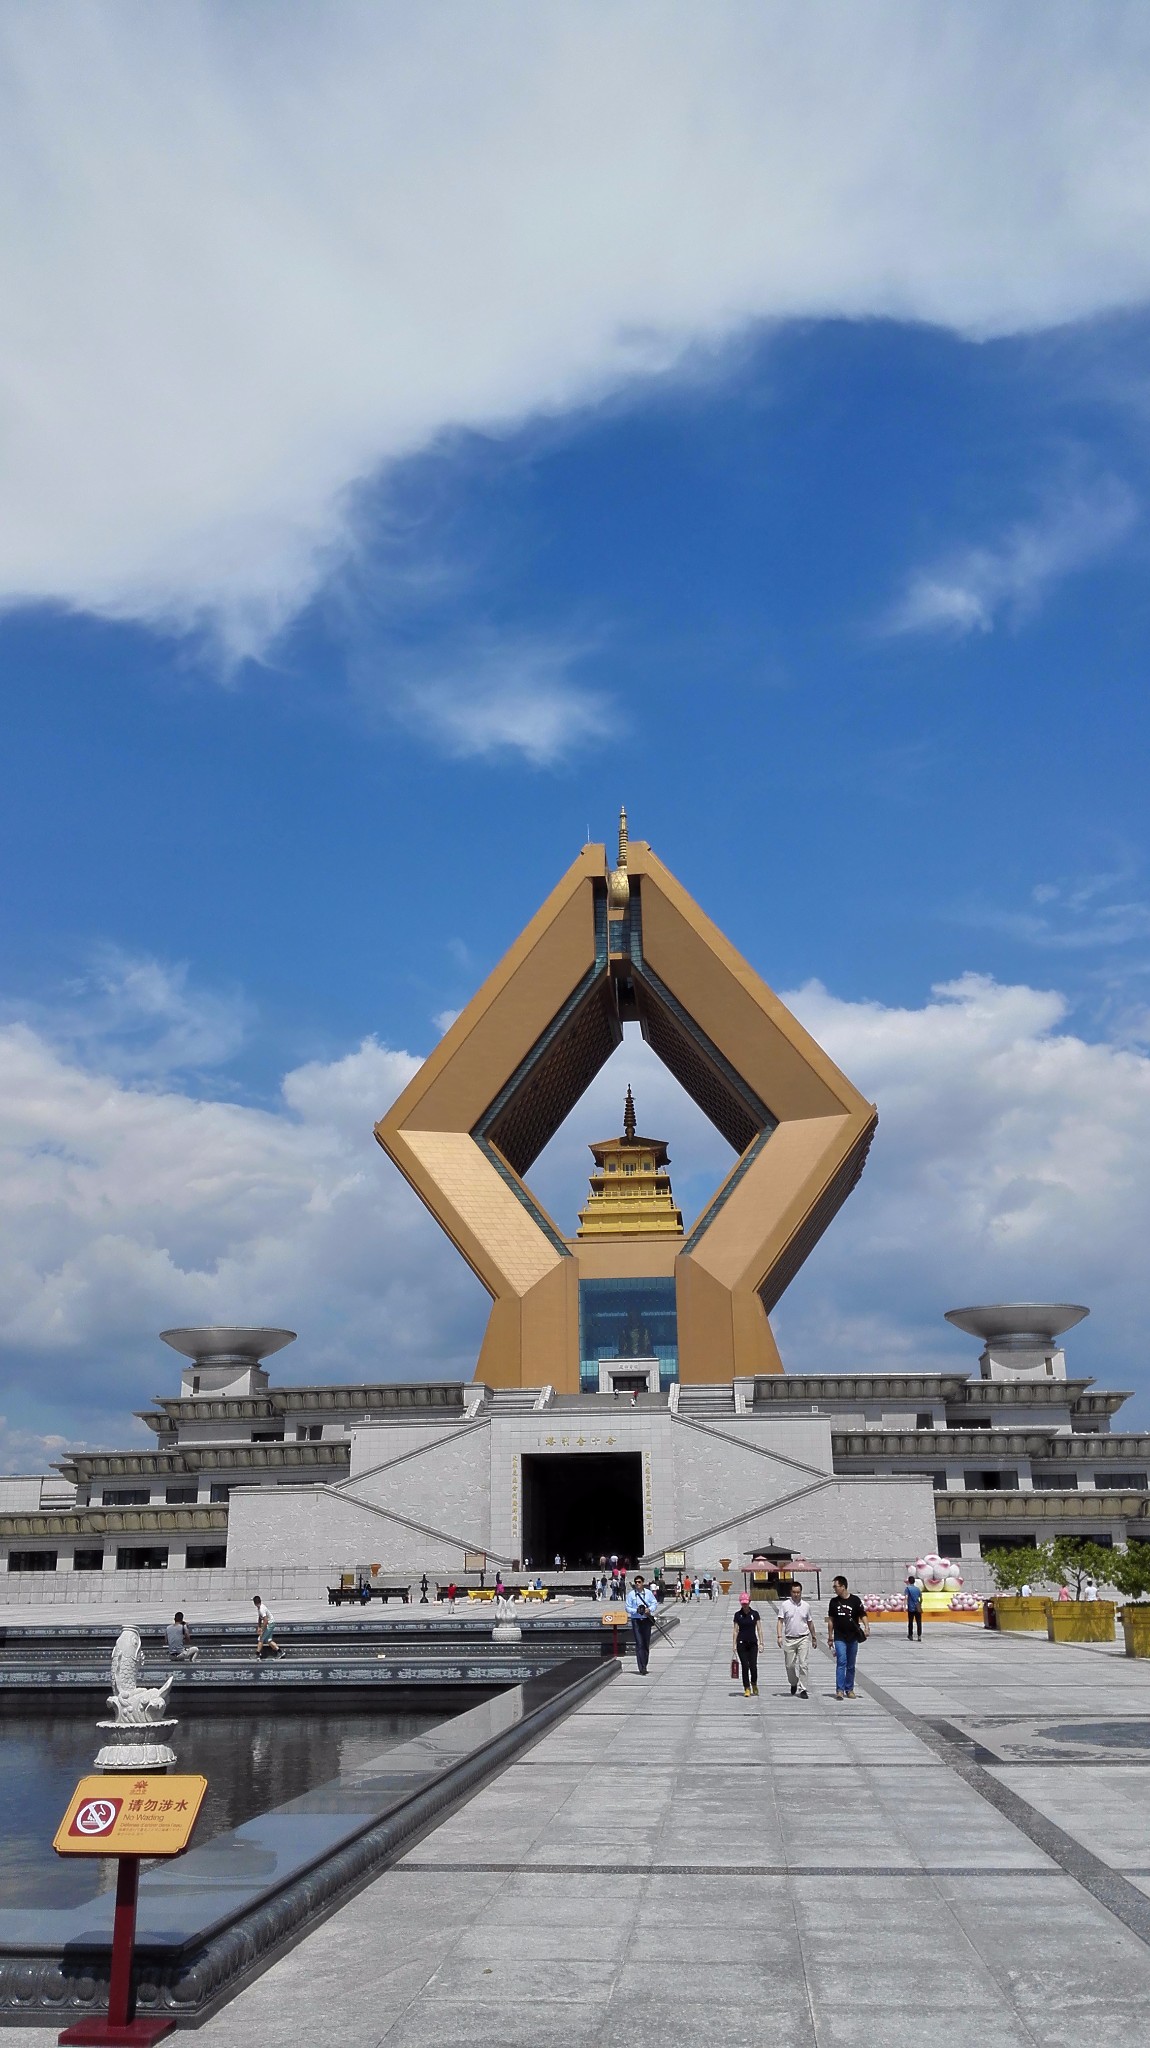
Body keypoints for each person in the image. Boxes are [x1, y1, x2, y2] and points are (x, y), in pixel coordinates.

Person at [827, 1576, 867, 1699]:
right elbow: (831, 1620)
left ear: (843, 1587)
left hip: (853, 1637)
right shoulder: (833, 1602)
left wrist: (867, 1627)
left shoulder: (855, 1600)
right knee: (841, 1662)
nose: (834, 1589)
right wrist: (830, 1637)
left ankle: (849, 1689)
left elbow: (863, 1614)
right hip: (839, 1637)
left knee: (851, 1664)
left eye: (836, 1586)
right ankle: (839, 1689)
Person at [777, 1581, 816, 1697]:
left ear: (801, 1592)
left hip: (803, 1638)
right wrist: (779, 1636)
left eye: (798, 1592)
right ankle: (793, 1682)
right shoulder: (785, 1605)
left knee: (803, 1664)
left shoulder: (806, 1606)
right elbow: (780, 1621)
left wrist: (814, 1637)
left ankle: (803, 1688)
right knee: (789, 1665)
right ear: (790, 1592)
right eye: (794, 1592)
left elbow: (810, 1622)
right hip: (789, 1639)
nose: (796, 1594)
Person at [625, 1573, 658, 1674]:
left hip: (646, 1620)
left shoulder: (648, 1593)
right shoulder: (631, 1594)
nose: (637, 1584)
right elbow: (627, 1607)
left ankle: (645, 1664)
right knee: (639, 1644)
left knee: (646, 1644)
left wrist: (649, 1609)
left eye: (639, 1582)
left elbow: (654, 1603)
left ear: (643, 1583)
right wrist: (636, 1610)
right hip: (636, 1620)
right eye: (636, 1582)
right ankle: (641, 1667)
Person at [733, 1591, 764, 1695]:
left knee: (753, 1666)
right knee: (745, 1666)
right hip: (741, 1643)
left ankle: (754, 1683)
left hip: (753, 1643)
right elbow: (735, 1630)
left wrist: (761, 1642)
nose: (745, 1605)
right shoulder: (738, 1615)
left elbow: (759, 1629)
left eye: (746, 1603)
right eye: (743, 1603)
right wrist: (734, 1644)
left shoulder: (754, 1614)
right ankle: (746, 1687)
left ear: (749, 1602)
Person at [253, 1594, 281, 1658]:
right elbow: (260, 1618)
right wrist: (259, 1627)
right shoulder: (259, 1608)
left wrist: (262, 1631)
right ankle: (280, 1652)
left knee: (261, 1638)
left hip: (270, 1624)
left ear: (254, 1603)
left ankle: (257, 1654)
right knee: (268, 1640)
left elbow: (265, 1621)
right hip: (271, 1623)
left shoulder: (261, 1609)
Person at [905, 1571, 923, 1642]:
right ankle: (919, 1636)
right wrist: (919, 1604)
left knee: (910, 1622)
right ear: (914, 1581)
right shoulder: (917, 1589)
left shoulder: (907, 1589)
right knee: (919, 1622)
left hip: (911, 1607)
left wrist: (905, 1606)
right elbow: (921, 1598)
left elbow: (906, 1597)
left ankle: (911, 1635)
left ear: (909, 1581)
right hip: (917, 1607)